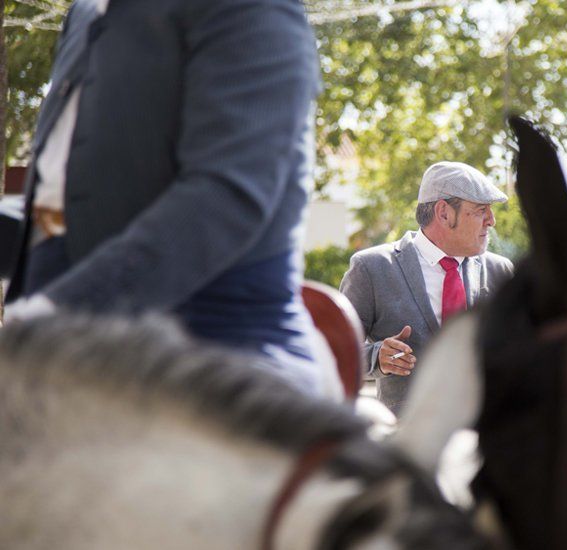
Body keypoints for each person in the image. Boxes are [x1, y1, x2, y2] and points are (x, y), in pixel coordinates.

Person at [1, 0, 342, 399]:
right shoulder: (85, 12)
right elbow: (60, 208)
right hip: (52, 358)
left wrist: (54, 315)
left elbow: (223, 200)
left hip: (212, 347)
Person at [340, 161, 514, 415]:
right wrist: (378, 357)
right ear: (443, 213)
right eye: (480, 210)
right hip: (406, 441)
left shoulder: (501, 271)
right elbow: (338, 353)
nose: (492, 220)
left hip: (489, 434)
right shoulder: (371, 268)